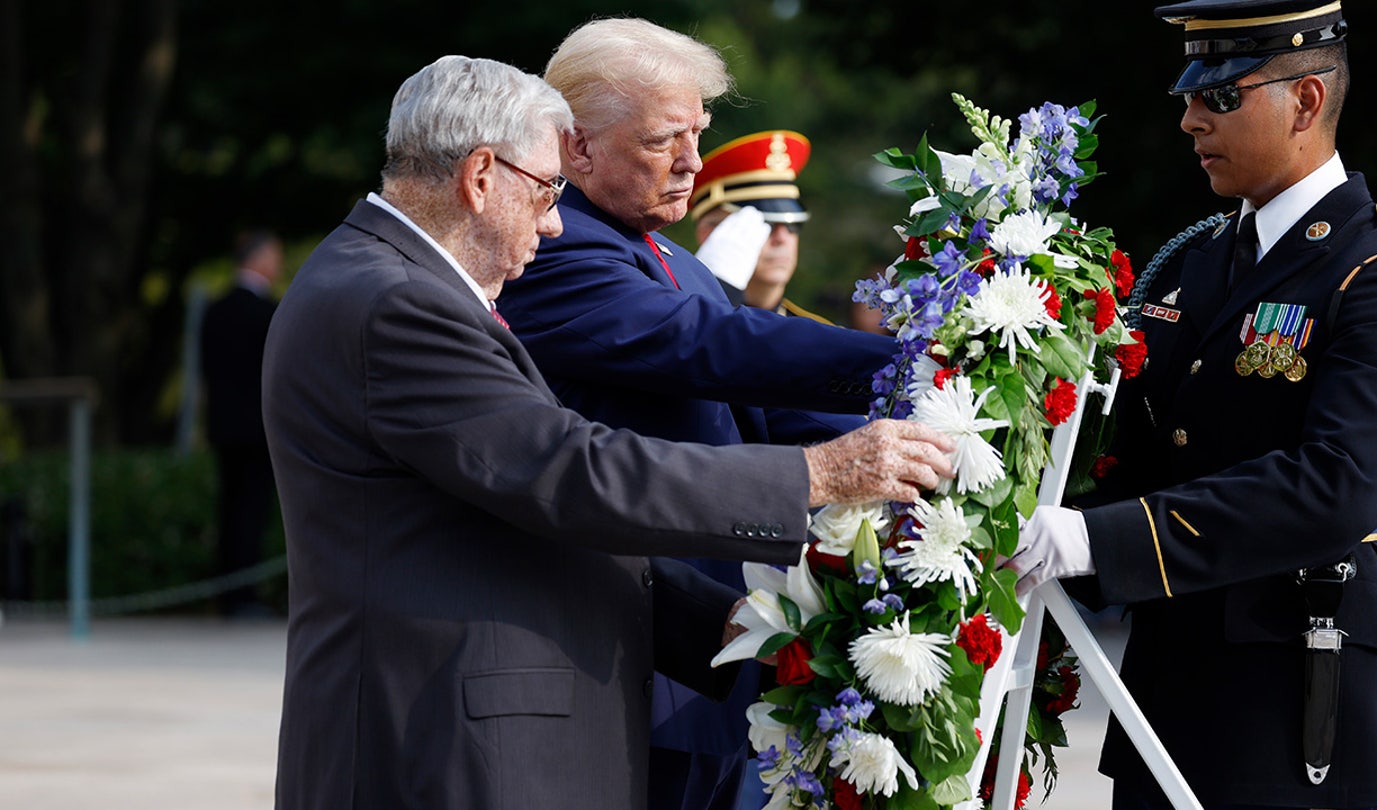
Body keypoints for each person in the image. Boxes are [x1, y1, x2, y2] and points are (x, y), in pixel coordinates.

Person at [262, 55, 954, 810]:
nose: (556, 219)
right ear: (482, 176)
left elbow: (524, 514)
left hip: (480, 735)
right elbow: (569, 473)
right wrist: (817, 476)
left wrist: (730, 626)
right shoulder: (395, 302)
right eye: (548, 189)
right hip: (447, 746)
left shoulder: (395, 284)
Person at [1004, 2, 1377, 808]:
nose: (1190, 119)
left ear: (1306, 101)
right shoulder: (1193, 261)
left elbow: (1342, 482)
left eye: (1221, 97)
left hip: (1298, 686)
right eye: (1188, 96)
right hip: (1169, 685)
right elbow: (1136, 447)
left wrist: (1101, 537)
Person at [497, 19, 897, 810]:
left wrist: (929, 433)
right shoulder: (557, 245)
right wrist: (907, 362)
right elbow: (711, 344)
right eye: (663, 141)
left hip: (711, 646)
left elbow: (766, 409)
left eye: (698, 135)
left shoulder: (664, 250)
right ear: (575, 147)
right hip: (635, 647)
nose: (692, 163)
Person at [199, 229, 282, 618]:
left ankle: (226, 593)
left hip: (223, 426)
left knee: (229, 509)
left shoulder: (215, 309)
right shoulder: (268, 313)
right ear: (260, 259)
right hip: (258, 428)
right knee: (251, 511)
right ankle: (243, 595)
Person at [690, 129, 826, 320]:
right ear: (709, 234)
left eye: (792, 225)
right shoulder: (674, 316)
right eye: (765, 224)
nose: (782, 238)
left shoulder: (821, 336)